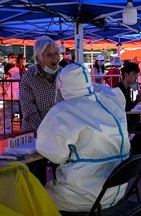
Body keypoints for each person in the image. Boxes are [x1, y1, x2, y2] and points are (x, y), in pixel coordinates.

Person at [36, 63, 130, 212]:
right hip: (115, 192)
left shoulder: (64, 111)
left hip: (82, 197)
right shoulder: (111, 102)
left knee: (33, 196)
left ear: (61, 84)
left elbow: (55, 155)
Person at [19, 35, 63, 185]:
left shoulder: (64, 74)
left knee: (64, 174)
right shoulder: (28, 78)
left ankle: (62, 203)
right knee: (37, 178)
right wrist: (46, 132)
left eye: (56, 54)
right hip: (36, 134)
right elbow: (29, 112)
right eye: (49, 55)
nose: (54, 58)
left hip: (61, 133)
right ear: (38, 58)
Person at [115, 62, 141, 155]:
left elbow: (128, 106)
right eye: (134, 75)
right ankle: (133, 150)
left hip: (130, 119)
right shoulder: (118, 89)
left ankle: (132, 149)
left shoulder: (127, 88)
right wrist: (136, 101)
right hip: (124, 121)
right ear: (126, 74)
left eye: (136, 75)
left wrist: (136, 101)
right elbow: (124, 108)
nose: (136, 78)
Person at [0, 66, 20, 134]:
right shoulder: (10, 82)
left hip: (16, 105)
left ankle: (7, 128)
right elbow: (5, 92)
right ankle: (3, 127)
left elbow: (15, 96)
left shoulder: (17, 83)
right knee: (1, 111)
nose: (8, 76)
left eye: (9, 74)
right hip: (9, 103)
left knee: (3, 113)